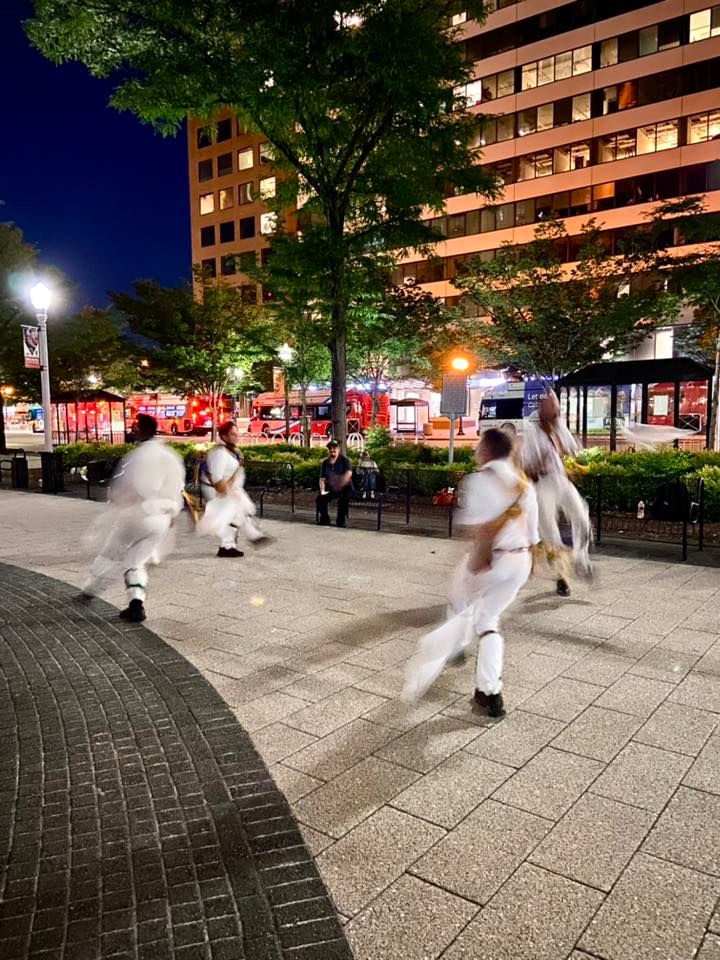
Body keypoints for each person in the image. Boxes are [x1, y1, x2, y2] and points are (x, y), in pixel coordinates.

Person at [403, 428, 539, 718]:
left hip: (492, 561)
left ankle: (457, 645)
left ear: (487, 451)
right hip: (519, 562)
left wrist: (472, 561)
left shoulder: (478, 481)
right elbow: (535, 535)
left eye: (479, 446)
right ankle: (490, 693)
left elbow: (475, 530)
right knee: (489, 619)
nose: (476, 450)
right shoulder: (524, 485)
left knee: (456, 595)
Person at [81, 414, 185, 622]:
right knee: (136, 561)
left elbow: (123, 488)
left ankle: (92, 587)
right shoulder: (171, 456)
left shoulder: (136, 457)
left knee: (111, 552)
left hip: (136, 514)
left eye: (136, 427)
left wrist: (114, 507)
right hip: (161, 518)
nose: (133, 430)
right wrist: (172, 512)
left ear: (142, 430)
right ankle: (136, 602)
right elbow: (178, 488)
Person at [522, 390, 592, 597]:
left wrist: (578, 460)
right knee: (550, 533)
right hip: (543, 486)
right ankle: (561, 577)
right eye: (552, 407)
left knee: (581, 516)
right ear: (542, 411)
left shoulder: (561, 429)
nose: (556, 412)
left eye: (557, 408)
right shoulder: (531, 435)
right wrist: (541, 463)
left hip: (562, 481)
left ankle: (581, 559)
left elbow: (575, 451)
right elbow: (526, 470)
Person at [198, 420, 269, 557]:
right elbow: (217, 479)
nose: (236, 437)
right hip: (222, 492)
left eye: (237, 434)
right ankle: (251, 537)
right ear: (224, 436)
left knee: (237, 515)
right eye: (232, 434)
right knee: (237, 514)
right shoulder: (219, 453)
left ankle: (228, 546)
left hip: (231, 491)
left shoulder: (229, 451)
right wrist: (226, 489)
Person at [317, 440, 353, 527]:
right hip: (332, 487)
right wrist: (322, 490)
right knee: (320, 498)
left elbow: (348, 474)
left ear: (338, 449)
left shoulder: (345, 461)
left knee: (343, 499)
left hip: (345, 486)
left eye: (334, 448)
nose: (332, 450)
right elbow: (322, 479)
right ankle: (325, 519)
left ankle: (341, 521)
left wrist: (339, 485)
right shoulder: (325, 463)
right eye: (330, 448)